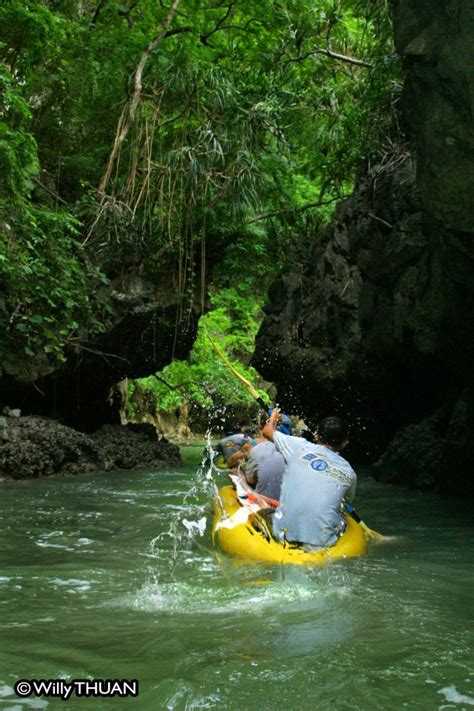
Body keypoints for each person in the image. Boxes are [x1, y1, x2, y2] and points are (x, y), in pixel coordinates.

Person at [262, 410, 356, 548]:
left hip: (284, 535)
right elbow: (345, 502)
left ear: (316, 435)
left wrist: (273, 418)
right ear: (344, 443)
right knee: (342, 518)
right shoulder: (349, 473)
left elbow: (267, 431)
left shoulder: (299, 446)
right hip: (321, 544)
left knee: (263, 513)